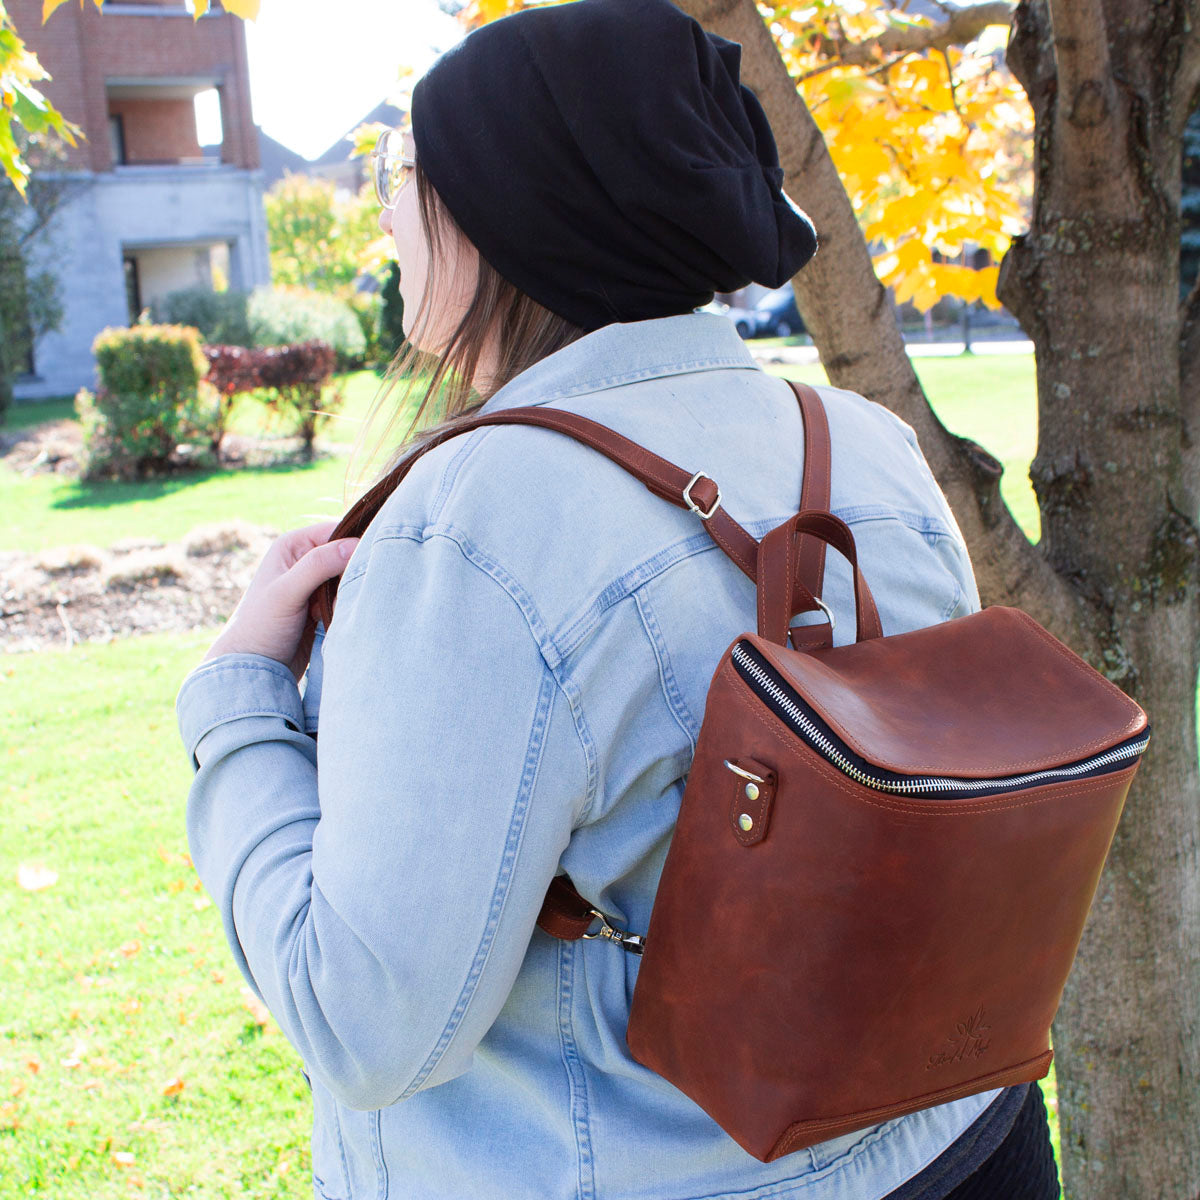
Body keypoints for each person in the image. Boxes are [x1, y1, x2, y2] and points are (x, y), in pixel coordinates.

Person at [174, 1, 1062, 1197]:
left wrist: (234, 699)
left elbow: (364, 1020)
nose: (386, 212)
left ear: (509, 209)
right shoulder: (864, 442)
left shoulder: (473, 519)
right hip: (968, 1141)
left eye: (405, 170)